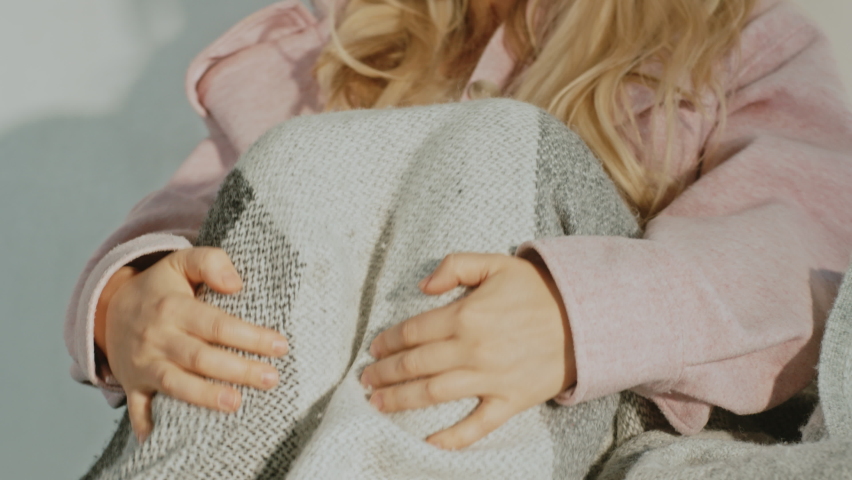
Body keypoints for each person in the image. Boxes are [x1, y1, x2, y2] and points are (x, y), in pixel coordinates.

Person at [65, 0, 852, 452]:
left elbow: (804, 261)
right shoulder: (332, 49)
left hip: (564, 435)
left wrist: (581, 319)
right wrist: (131, 300)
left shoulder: (740, 37)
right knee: (291, 174)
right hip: (298, 428)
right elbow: (206, 206)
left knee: (493, 145)